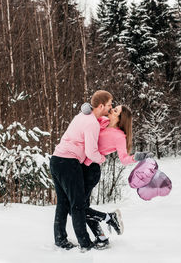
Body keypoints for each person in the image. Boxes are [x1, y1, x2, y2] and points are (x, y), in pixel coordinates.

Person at [80, 103, 153, 249]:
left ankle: (108, 218)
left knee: (78, 208)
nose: (111, 110)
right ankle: (101, 238)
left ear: (120, 118)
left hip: (91, 170)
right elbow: (91, 121)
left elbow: (124, 159)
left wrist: (138, 157)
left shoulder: (120, 136)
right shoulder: (104, 121)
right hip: (82, 166)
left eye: (115, 110)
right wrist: (86, 110)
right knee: (82, 207)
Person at [49, 90, 112, 252]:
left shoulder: (82, 116)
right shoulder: (92, 123)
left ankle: (60, 239)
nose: (111, 108)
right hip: (69, 163)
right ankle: (85, 243)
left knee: (63, 203)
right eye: (109, 105)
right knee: (77, 204)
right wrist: (102, 159)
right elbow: (91, 153)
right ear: (100, 105)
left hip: (56, 160)